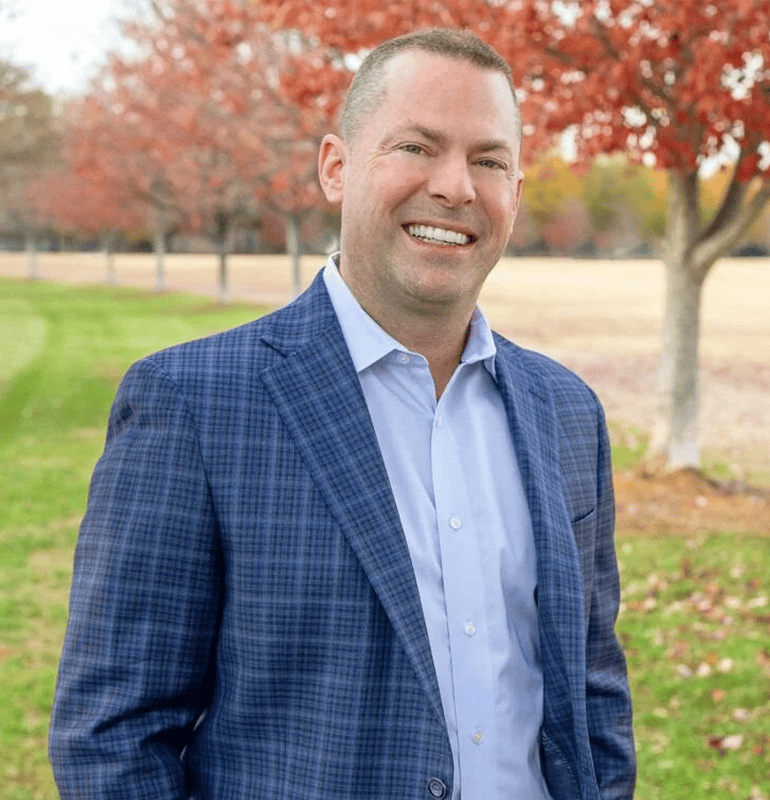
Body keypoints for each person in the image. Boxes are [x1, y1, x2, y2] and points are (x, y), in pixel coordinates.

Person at [49, 29, 635, 800]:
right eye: (417, 147)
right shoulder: (192, 404)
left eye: (489, 160)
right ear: (336, 167)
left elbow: (592, 700)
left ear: (515, 197)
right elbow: (113, 738)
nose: (456, 187)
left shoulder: (567, 413)